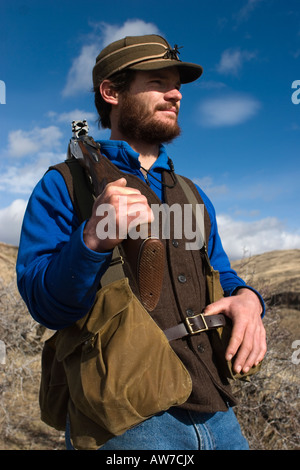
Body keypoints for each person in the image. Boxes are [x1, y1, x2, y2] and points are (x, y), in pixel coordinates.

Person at [16, 34, 267, 450]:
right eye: (158, 82)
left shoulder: (191, 193)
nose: (175, 95)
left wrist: (247, 299)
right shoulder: (64, 183)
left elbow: (220, 272)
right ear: (111, 92)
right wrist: (92, 240)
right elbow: (44, 304)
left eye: (178, 87)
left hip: (218, 410)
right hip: (125, 419)